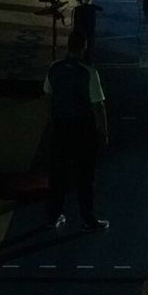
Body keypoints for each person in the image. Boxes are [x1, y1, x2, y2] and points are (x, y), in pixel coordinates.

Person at [43, 29, 109, 230]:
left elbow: (48, 95)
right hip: (83, 130)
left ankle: (53, 216)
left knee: (57, 176)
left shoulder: (54, 69)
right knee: (85, 177)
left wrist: (53, 119)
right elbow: (98, 105)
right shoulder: (89, 73)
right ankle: (88, 219)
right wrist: (103, 132)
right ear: (83, 48)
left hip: (61, 127)